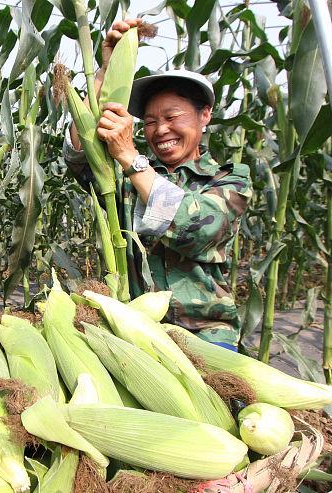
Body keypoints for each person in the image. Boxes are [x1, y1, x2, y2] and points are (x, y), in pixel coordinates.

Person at [65, 19, 252, 350]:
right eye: (150, 121)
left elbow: (194, 230)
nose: (160, 129)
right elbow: (81, 153)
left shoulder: (230, 179)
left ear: (204, 115)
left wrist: (129, 156)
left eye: (172, 117)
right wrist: (105, 71)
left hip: (204, 337)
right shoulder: (123, 178)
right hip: (135, 330)